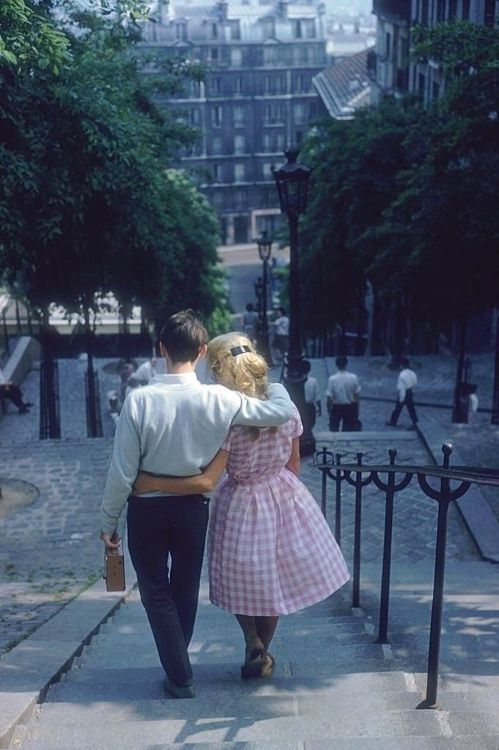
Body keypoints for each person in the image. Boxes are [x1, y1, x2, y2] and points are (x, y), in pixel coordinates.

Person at [99, 310, 294, 700]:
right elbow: (282, 411)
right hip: (192, 509)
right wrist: (270, 382)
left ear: (162, 349)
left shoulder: (139, 401)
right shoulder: (219, 398)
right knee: (184, 587)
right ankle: (178, 663)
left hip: (147, 509)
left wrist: (109, 521)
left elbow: (122, 470)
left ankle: (180, 672)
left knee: (155, 590)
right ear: (203, 351)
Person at [132, 332, 350, 681]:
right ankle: (262, 647)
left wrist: (152, 481)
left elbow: (208, 479)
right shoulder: (287, 409)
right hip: (281, 495)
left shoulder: (226, 420)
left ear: (219, 370)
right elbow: (293, 464)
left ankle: (251, 637)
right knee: (272, 583)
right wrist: (281, 490)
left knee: (241, 579)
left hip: (240, 502)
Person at [326, 356, 361, 432]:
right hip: (349, 406)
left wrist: (329, 409)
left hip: (337, 407)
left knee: (334, 429)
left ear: (336, 365)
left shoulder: (332, 379)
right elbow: (356, 395)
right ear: (346, 364)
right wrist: (357, 409)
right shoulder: (353, 377)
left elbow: (329, 397)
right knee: (348, 429)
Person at [386, 357, 418, 430]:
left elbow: (402, 388)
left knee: (397, 408)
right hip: (410, 391)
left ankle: (393, 421)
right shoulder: (412, 373)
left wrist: (401, 398)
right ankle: (415, 422)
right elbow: (415, 382)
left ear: (401, 366)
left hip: (404, 392)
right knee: (411, 408)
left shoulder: (402, 375)